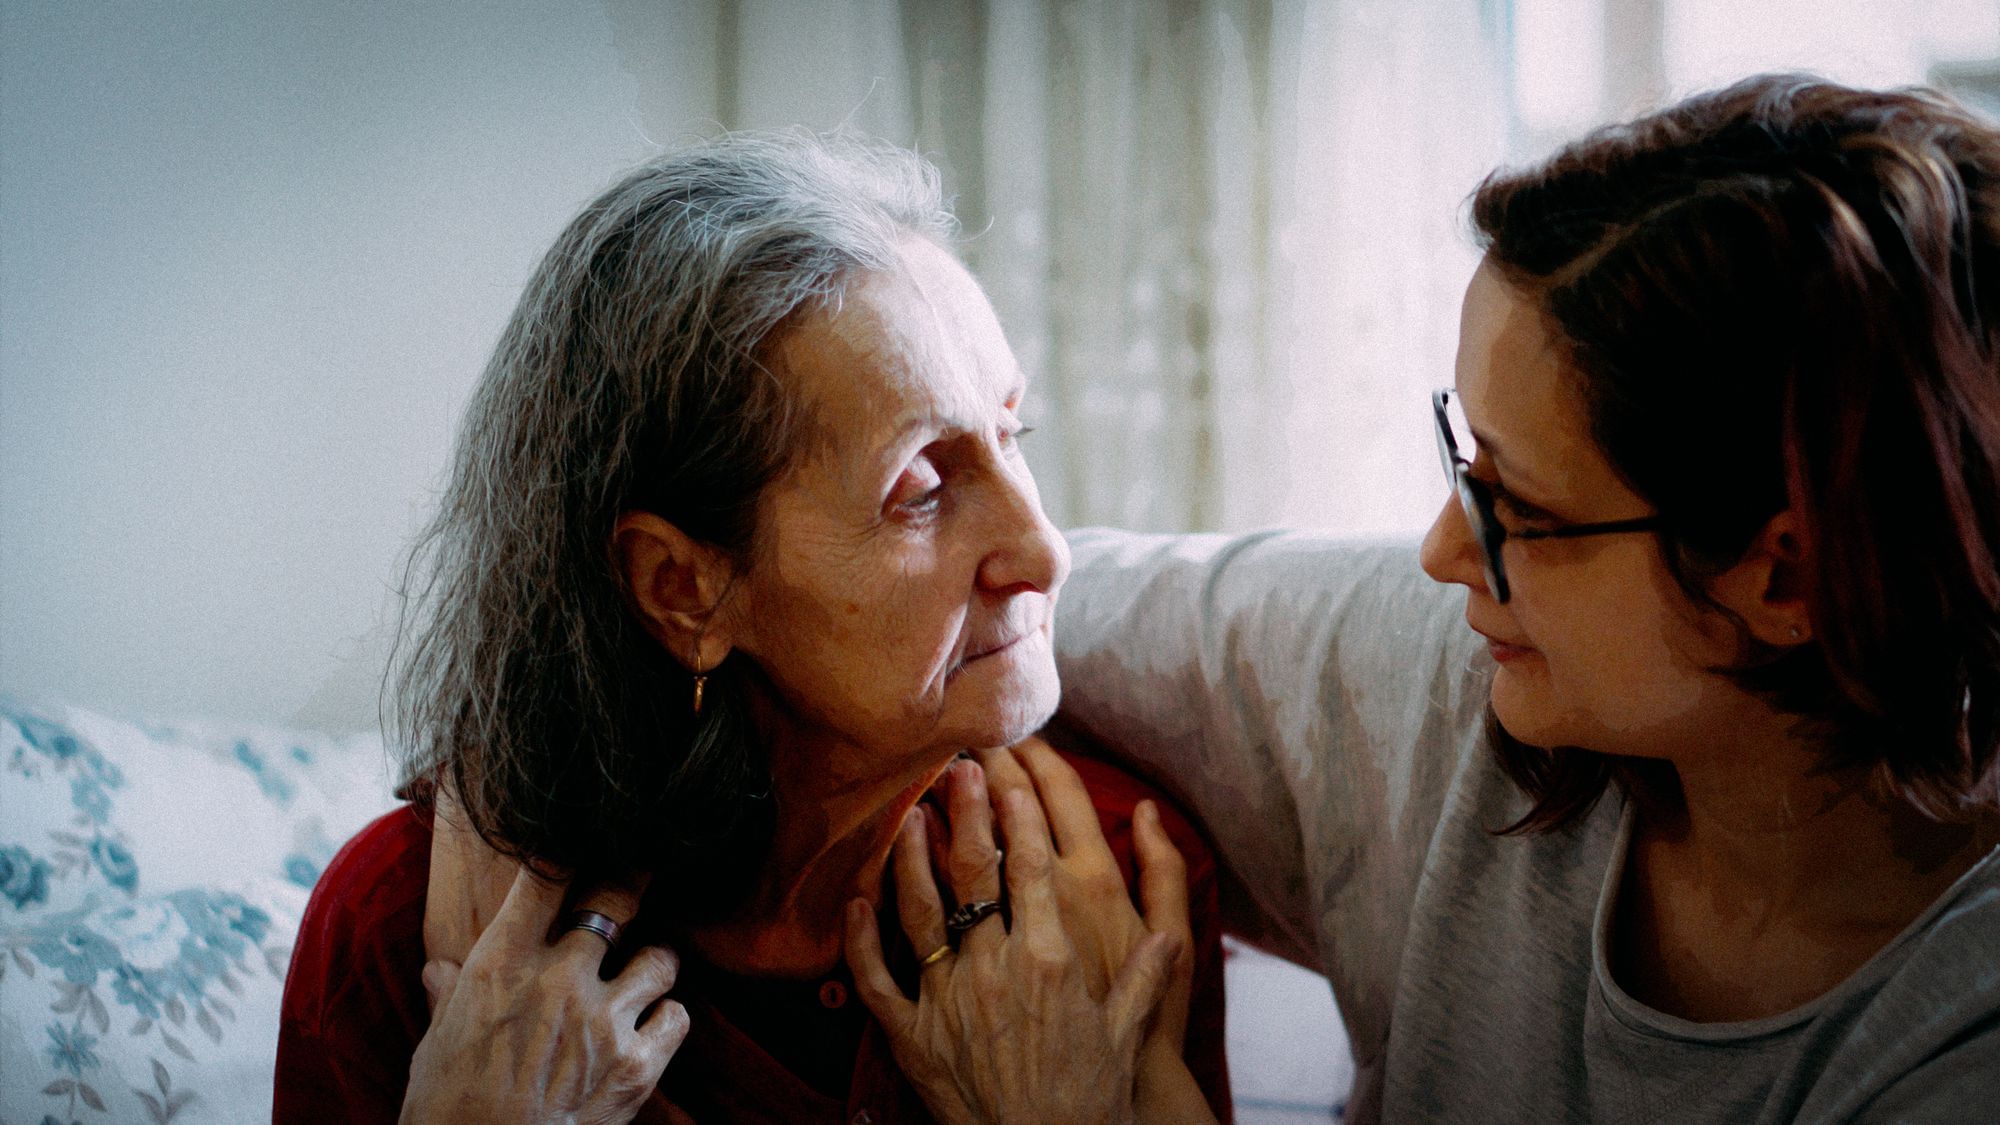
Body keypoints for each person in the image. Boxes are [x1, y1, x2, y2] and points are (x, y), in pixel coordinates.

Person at [976, 74, 1999, 1122]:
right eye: (1462, 462)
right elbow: (1003, 609)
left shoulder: (1960, 1047)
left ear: (1786, 576)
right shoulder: (1457, 669)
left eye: (1522, 508)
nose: (1439, 550)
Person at [272, 131, 1232, 1124]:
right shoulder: (408, 940)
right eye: (919, 488)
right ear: (682, 588)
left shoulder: (1109, 896)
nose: (1043, 552)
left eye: (1010, 435)